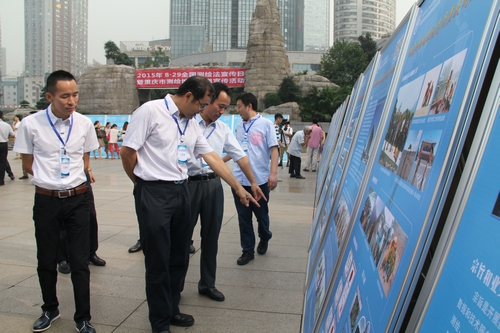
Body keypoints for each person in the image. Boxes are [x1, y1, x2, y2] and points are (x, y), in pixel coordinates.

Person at [120, 76, 259, 333]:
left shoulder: (189, 123)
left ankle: (171, 309)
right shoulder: (150, 111)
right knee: (159, 260)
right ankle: (159, 322)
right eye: (201, 104)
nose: (201, 110)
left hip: (181, 191)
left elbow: (212, 158)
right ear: (188, 97)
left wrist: (239, 188)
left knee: (179, 256)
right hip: (155, 192)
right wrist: (141, 185)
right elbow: (127, 152)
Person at [13, 70, 98, 333]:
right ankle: (50, 308)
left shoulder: (83, 123)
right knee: (46, 259)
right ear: (50, 96)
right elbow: (28, 164)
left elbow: (84, 158)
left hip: (78, 199)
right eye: (64, 96)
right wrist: (50, 182)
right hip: (47, 200)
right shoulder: (31, 124)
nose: (71, 101)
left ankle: (83, 317)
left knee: (80, 262)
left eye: (74, 94)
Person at [186, 83, 265, 302]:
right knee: (183, 239)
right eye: (219, 106)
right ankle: (176, 286)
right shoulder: (189, 123)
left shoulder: (222, 129)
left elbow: (240, 156)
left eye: (226, 108)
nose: (222, 111)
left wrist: (253, 182)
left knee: (211, 237)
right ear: (207, 99)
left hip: (213, 186)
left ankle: (207, 284)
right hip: (188, 185)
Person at [232, 92, 279, 265]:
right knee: (243, 218)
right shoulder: (238, 127)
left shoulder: (266, 124)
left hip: (259, 180)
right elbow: (235, 150)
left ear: (248, 106)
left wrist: (273, 174)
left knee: (261, 215)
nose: (237, 110)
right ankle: (247, 250)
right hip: (239, 180)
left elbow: (274, 150)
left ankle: (265, 236)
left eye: (239, 106)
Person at [57, 171, 107, 275]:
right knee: (62, 220)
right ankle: (63, 258)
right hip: (60, 177)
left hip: (81, 175)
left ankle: (90, 252)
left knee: (90, 215)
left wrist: (88, 169)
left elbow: (85, 155)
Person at [0, 111, 16, 186]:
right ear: (2, 116)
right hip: (3, 144)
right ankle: (1, 180)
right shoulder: (6, 125)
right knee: (3, 162)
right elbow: (12, 135)